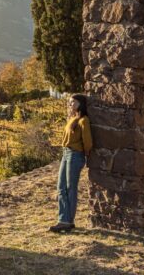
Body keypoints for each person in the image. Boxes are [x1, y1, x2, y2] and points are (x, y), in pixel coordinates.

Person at [49, 94, 93, 233]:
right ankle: (63, 219)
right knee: (61, 187)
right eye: (69, 102)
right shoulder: (72, 119)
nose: (70, 104)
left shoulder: (83, 120)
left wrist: (85, 155)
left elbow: (88, 142)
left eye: (73, 102)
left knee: (70, 188)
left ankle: (68, 221)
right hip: (66, 153)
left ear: (81, 103)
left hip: (75, 155)